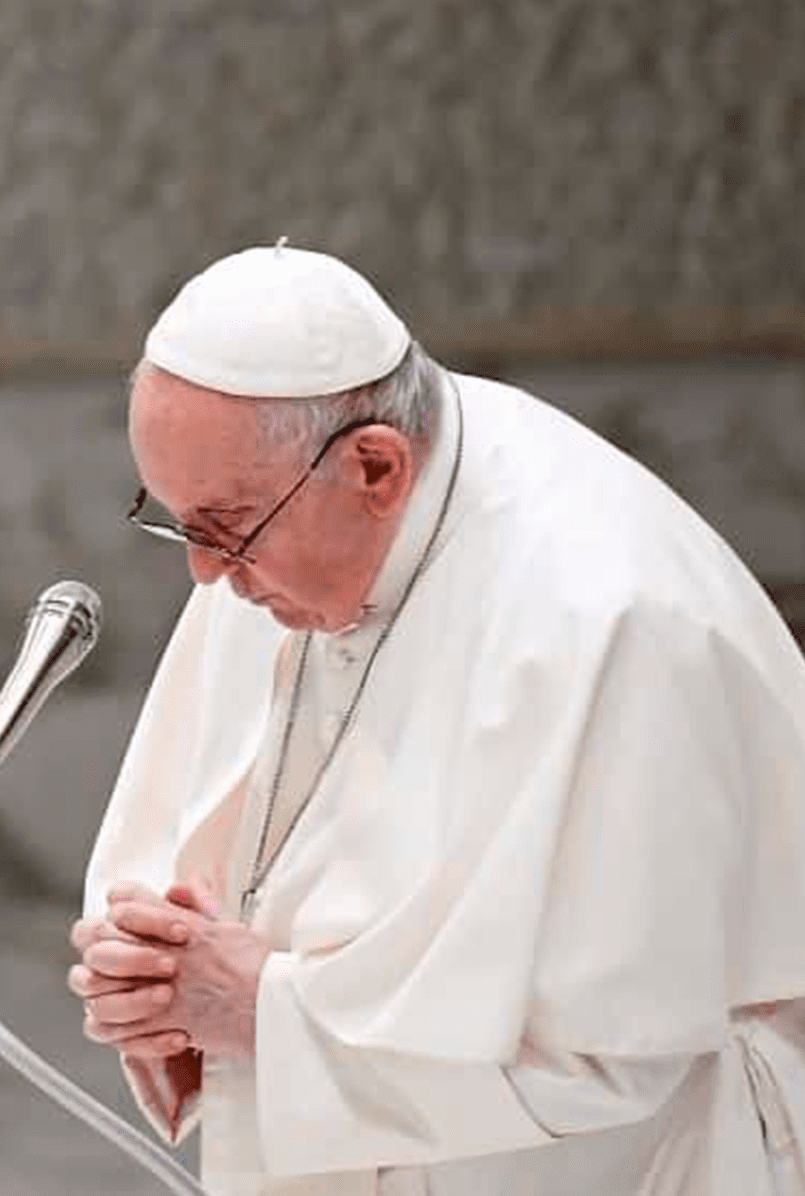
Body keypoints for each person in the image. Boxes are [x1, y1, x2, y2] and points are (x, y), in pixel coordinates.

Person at [68, 242, 805, 1194]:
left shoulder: (607, 617)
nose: (205, 576)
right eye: (176, 521)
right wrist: (162, 985)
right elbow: (219, 887)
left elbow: (609, 1058)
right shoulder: (288, 526)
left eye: (226, 527)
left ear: (377, 467)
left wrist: (259, 1012)